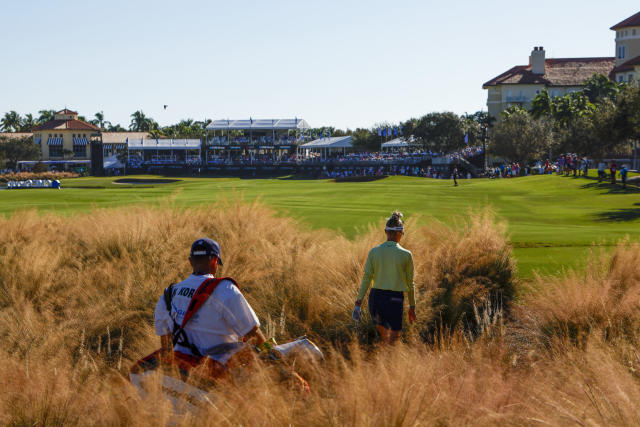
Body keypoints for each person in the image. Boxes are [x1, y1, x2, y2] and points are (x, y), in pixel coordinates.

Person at [154, 238, 267, 367]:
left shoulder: (168, 294)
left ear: (190, 262)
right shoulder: (225, 290)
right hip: (217, 376)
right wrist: (274, 358)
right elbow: (253, 335)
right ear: (214, 261)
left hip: (182, 373)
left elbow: (166, 348)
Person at [352, 212, 415, 344]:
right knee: (393, 340)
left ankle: (385, 357)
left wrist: (358, 303)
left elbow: (366, 278)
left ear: (386, 231)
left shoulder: (374, 252)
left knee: (385, 338)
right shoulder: (406, 255)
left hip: (376, 298)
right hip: (395, 299)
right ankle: (389, 359)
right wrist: (412, 306)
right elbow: (410, 283)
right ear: (400, 233)